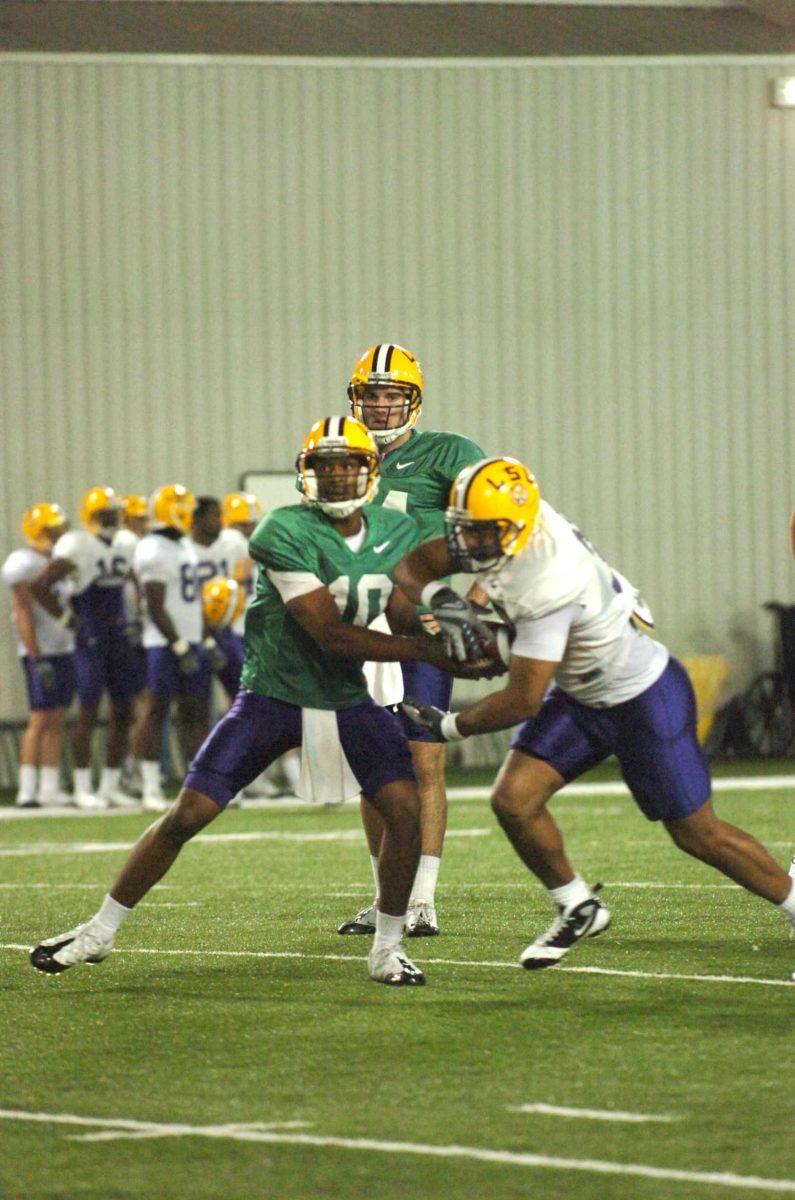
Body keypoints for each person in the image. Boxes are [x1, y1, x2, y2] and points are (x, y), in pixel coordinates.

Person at [30, 417, 491, 987]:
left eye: (349, 464)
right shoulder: (281, 530)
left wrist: (444, 628)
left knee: (403, 813)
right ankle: (99, 931)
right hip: (275, 697)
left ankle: (387, 949)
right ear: (306, 474)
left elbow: (396, 605)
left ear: (370, 472)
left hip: (346, 698)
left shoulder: (393, 529)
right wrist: (435, 653)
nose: (339, 476)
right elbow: (331, 634)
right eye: (326, 466)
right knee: (188, 815)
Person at [395, 455, 795, 969]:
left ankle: (791, 901)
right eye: (463, 532)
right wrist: (444, 600)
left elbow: (521, 699)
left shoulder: (547, 578)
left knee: (697, 834)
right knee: (514, 800)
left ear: (515, 527)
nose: (468, 545)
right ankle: (577, 905)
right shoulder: (513, 531)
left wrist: (448, 725)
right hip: (582, 691)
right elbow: (411, 567)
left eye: (481, 534)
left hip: (642, 698)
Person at [338, 343, 486, 938]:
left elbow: (496, 521)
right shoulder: (338, 455)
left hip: (421, 623)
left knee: (424, 757)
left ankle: (421, 897)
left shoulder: (451, 452)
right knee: (372, 762)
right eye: (370, 395)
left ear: (412, 401)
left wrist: (472, 604)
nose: (379, 405)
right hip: (359, 623)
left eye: (391, 395)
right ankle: (385, 898)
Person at [33, 487, 140, 809]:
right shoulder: (77, 543)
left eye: (114, 512)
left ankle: (109, 784)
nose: (113, 517)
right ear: (92, 516)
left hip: (119, 635)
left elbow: (135, 582)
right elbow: (40, 585)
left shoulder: (126, 542)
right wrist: (67, 619)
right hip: (90, 637)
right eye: (106, 513)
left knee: (124, 709)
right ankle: (82, 785)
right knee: (89, 710)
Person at [130, 483, 211, 812]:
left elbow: (193, 601)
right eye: (184, 508)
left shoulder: (182, 546)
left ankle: (198, 786)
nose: (190, 514)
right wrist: (178, 645)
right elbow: (154, 604)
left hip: (190, 640)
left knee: (195, 712)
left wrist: (203, 639)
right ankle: (149, 784)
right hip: (165, 644)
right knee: (157, 710)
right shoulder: (153, 548)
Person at [2, 504, 75, 807]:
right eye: (52, 529)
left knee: (57, 718)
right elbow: (22, 613)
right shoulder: (23, 562)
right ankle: (27, 789)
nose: (59, 534)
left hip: (64, 648)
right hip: (42, 652)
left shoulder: (59, 562)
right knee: (40, 718)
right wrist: (36, 655)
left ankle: (48, 787)